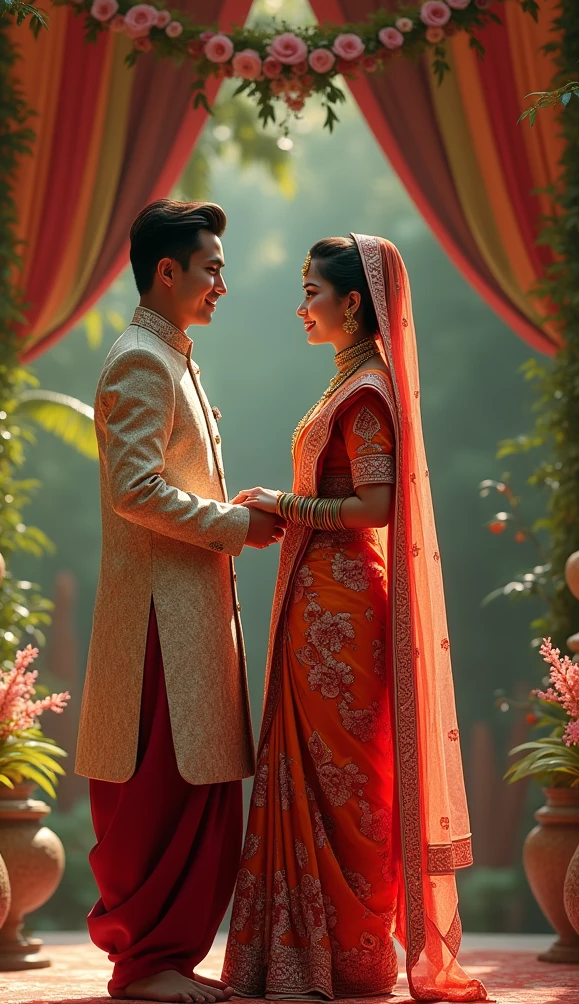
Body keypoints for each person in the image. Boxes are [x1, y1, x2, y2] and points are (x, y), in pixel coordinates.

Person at [223, 235, 488, 1002]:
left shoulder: (366, 390)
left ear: (353, 303)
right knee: (316, 778)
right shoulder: (346, 382)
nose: (301, 305)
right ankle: (313, 954)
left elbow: (375, 508)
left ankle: (354, 953)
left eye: (312, 291)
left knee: (346, 785)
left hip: (341, 610)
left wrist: (284, 504)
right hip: (317, 600)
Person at [75, 199, 285, 1003]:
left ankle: (165, 958)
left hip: (190, 615)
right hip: (158, 621)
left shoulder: (173, 356)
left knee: (199, 786)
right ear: (169, 271)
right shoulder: (140, 359)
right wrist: (233, 523)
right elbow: (135, 489)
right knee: (160, 789)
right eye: (213, 268)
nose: (222, 284)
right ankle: (146, 962)